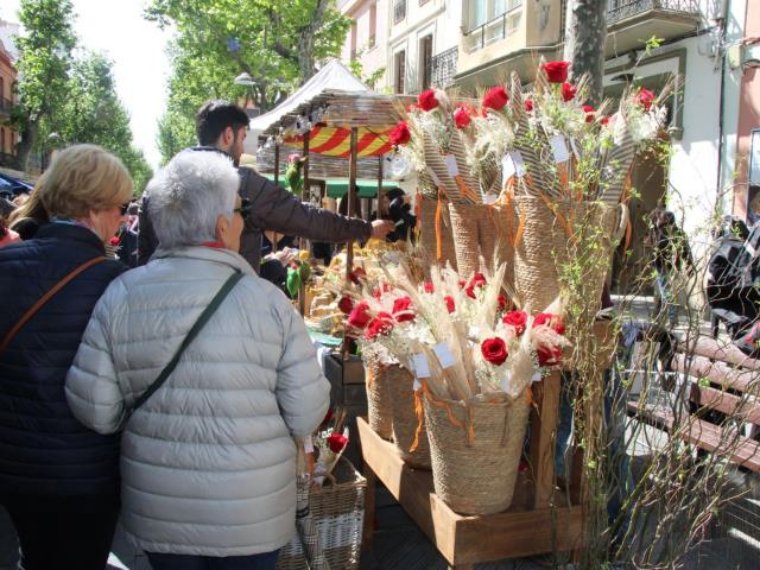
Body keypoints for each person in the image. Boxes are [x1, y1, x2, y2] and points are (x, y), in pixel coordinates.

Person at [66, 150, 330, 570]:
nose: (245, 222)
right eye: (241, 211)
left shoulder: (122, 294)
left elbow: (96, 411)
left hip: (159, 510)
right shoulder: (269, 303)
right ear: (223, 225)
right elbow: (305, 414)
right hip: (251, 514)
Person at [0, 144, 133, 570]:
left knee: (35, 555)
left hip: (14, 467)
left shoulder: (6, 264)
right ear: (95, 208)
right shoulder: (116, 282)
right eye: (120, 207)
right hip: (88, 472)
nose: (122, 218)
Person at [138, 100, 393, 269]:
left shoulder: (157, 184)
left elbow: (143, 257)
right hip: (227, 307)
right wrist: (365, 228)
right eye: (241, 138)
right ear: (228, 135)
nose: (241, 147)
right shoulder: (240, 183)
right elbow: (306, 219)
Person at [647, 208, 694, 327]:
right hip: (660, 266)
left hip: (666, 267)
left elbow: (685, 250)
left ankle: (672, 319)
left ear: (666, 220)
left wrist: (689, 264)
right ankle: (658, 317)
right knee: (660, 293)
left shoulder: (669, 233)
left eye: (660, 218)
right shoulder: (659, 231)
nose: (658, 220)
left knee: (666, 293)